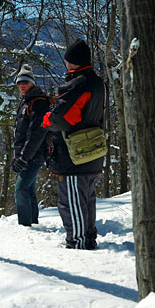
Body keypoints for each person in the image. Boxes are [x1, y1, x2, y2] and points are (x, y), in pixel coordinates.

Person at [43, 39, 107, 250]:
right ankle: (88, 239)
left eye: (67, 60)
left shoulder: (78, 84)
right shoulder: (97, 82)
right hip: (92, 150)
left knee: (71, 203)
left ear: (73, 62)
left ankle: (77, 244)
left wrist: (47, 119)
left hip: (74, 155)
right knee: (87, 199)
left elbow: (63, 118)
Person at [8, 70, 51, 226]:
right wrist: (19, 155)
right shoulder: (27, 101)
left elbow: (36, 134)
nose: (22, 85)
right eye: (19, 83)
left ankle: (25, 226)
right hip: (28, 154)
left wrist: (24, 157)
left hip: (33, 155)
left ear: (33, 82)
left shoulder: (38, 102)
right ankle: (33, 224)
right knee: (29, 190)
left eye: (25, 82)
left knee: (20, 189)